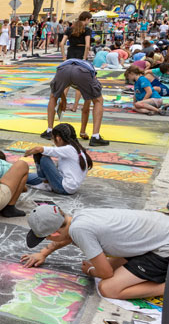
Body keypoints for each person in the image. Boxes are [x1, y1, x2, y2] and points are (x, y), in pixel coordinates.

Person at [21, 205, 169, 300]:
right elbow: (66, 236)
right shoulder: (76, 217)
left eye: (46, 238)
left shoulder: (80, 230)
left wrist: (90, 271)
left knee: (108, 288)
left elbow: (105, 273)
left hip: (168, 248)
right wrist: (44, 253)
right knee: (107, 265)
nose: (47, 241)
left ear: (54, 233)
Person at [45, 12, 109, 146]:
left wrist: (63, 57)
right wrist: (85, 59)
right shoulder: (87, 30)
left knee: (53, 96)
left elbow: (62, 44)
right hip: (82, 67)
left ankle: (49, 130)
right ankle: (95, 136)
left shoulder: (69, 29)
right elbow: (87, 46)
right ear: (87, 19)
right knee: (97, 100)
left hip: (66, 65)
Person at [23, 123, 92, 195]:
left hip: (63, 186)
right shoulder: (77, 149)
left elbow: (39, 149)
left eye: (53, 138)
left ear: (58, 138)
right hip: (64, 182)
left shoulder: (69, 149)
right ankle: (44, 181)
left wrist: (27, 153)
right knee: (25, 176)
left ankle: (45, 184)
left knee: (43, 157)